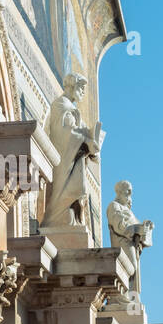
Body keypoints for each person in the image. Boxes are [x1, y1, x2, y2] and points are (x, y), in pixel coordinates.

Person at [40, 74, 102, 230]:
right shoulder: (60, 104)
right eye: (81, 88)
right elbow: (64, 133)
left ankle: (70, 218)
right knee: (64, 191)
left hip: (74, 159)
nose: (82, 92)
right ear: (71, 86)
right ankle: (54, 218)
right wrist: (86, 141)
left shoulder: (72, 108)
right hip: (64, 159)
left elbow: (78, 132)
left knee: (77, 191)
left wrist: (92, 146)